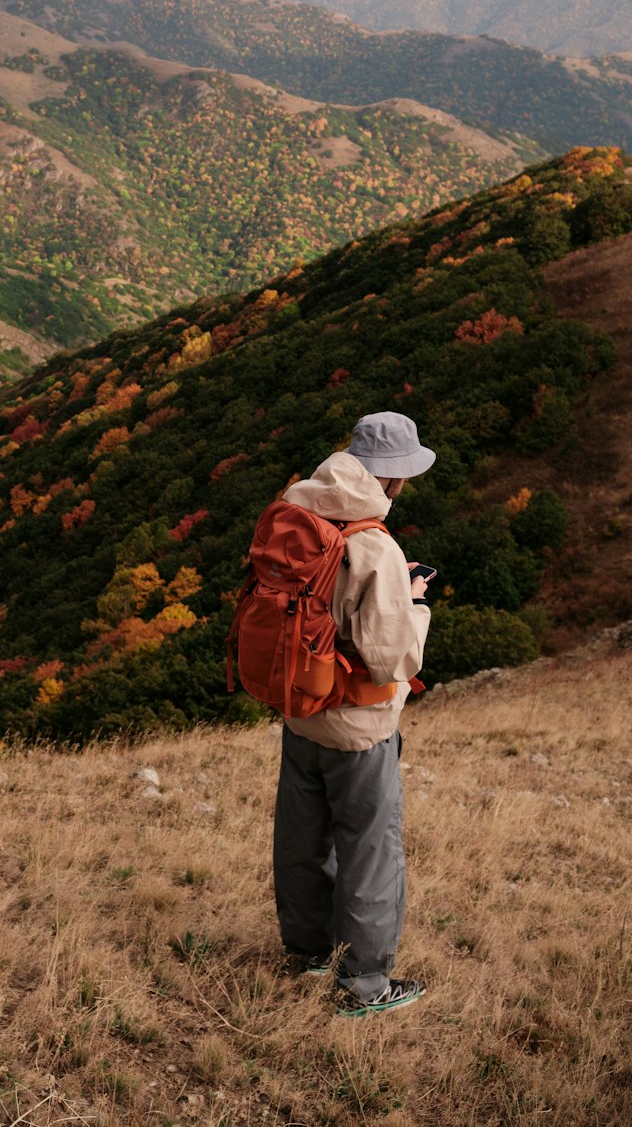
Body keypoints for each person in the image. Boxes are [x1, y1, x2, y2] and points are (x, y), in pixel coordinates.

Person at [272, 411, 435, 1016]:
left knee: (302, 838)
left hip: (299, 710)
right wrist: (414, 604)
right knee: (370, 850)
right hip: (359, 727)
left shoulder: (300, 516)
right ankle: (365, 986)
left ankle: (307, 951)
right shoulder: (374, 546)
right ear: (391, 478)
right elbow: (392, 657)